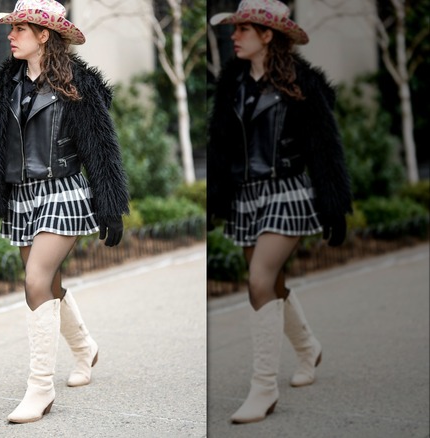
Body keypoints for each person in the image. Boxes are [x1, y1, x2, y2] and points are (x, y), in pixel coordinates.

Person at [0, 0, 130, 424]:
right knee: (49, 283)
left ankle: (40, 389)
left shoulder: (79, 84)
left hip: (63, 190)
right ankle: (85, 349)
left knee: (35, 279)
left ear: (44, 35)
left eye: (19, 29)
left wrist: (111, 207)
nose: (11, 36)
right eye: (12, 29)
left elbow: (101, 148)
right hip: (22, 196)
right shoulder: (9, 82)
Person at [207, 0, 352, 424]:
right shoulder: (233, 85)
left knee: (258, 280)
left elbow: (326, 149)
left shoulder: (300, 86)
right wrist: (217, 197)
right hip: (247, 197)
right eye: (233, 29)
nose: (234, 36)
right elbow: (221, 146)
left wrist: (335, 206)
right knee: (273, 282)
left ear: (267, 35)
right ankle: (308, 348)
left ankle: (263, 388)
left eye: (243, 29)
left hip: (287, 191)